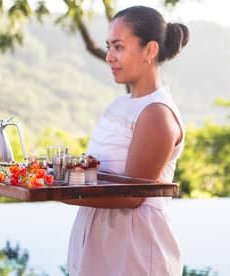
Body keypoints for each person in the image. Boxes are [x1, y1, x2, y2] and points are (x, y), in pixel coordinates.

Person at [63, 6, 189, 276]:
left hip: (135, 253)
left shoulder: (157, 113)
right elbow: (98, 173)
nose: (109, 57)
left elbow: (132, 196)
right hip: (98, 244)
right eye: (109, 47)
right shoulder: (119, 105)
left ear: (150, 50)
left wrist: (58, 189)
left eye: (118, 47)